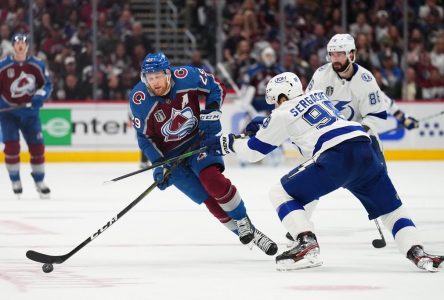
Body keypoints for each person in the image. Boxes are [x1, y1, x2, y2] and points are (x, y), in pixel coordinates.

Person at [202, 72, 444, 272]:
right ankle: (417, 252)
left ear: (282, 96)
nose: (275, 106)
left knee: (280, 194)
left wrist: (228, 143)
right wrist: (265, 123)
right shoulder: (319, 96)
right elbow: (302, 119)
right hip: (364, 148)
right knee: (392, 211)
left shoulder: (282, 112)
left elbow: (254, 152)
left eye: (275, 101)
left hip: (336, 156)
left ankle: (306, 243)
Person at [128, 52, 277, 255]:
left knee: (211, 179)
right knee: (207, 199)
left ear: (167, 73)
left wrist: (211, 112)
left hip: (199, 140)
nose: (154, 82)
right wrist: (160, 164)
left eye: (157, 76)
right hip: (171, 157)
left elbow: (215, 88)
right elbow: (145, 138)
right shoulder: (139, 99)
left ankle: (242, 220)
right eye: (150, 78)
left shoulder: (187, 76)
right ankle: (250, 233)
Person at [0, 33, 52, 198]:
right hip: (9, 114)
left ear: (28, 46)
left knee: (37, 148)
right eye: (17, 43)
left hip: (30, 114)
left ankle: (39, 180)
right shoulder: (3, 66)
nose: (20, 46)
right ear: (13, 46)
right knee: (12, 148)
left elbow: (47, 84)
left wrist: (39, 96)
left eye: (23, 43)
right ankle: (15, 179)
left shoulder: (37, 65)